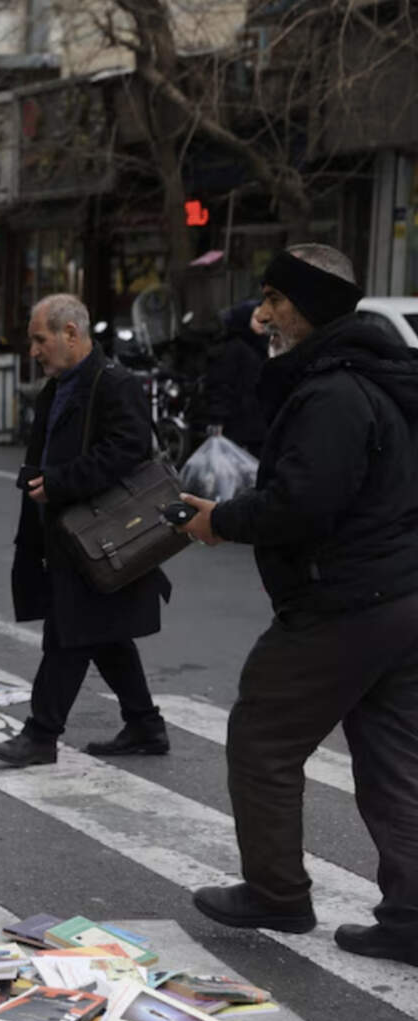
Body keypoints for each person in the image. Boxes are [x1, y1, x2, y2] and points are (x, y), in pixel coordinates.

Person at [178, 244, 418, 964]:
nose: (265, 312)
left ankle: (276, 892)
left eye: (277, 299)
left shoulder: (335, 391)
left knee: (263, 734)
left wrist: (220, 519)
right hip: (400, 595)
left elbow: (303, 502)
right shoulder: (383, 376)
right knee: (391, 759)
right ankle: (412, 914)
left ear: (308, 307)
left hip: (344, 598)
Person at [0, 293, 171, 768]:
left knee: (69, 632)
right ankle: (145, 725)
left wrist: (62, 482)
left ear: (71, 333)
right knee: (103, 634)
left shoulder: (113, 383)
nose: (33, 350)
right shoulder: (59, 385)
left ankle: (41, 734)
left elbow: (129, 448)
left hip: (100, 533)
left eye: (39, 339)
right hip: (67, 531)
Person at [204, 300, 269, 457]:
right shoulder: (233, 348)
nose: (261, 321)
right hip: (238, 424)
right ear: (244, 319)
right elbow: (220, 384)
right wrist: (217, 419)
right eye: (256, 317)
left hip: (258, 424)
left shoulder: (262, 346)